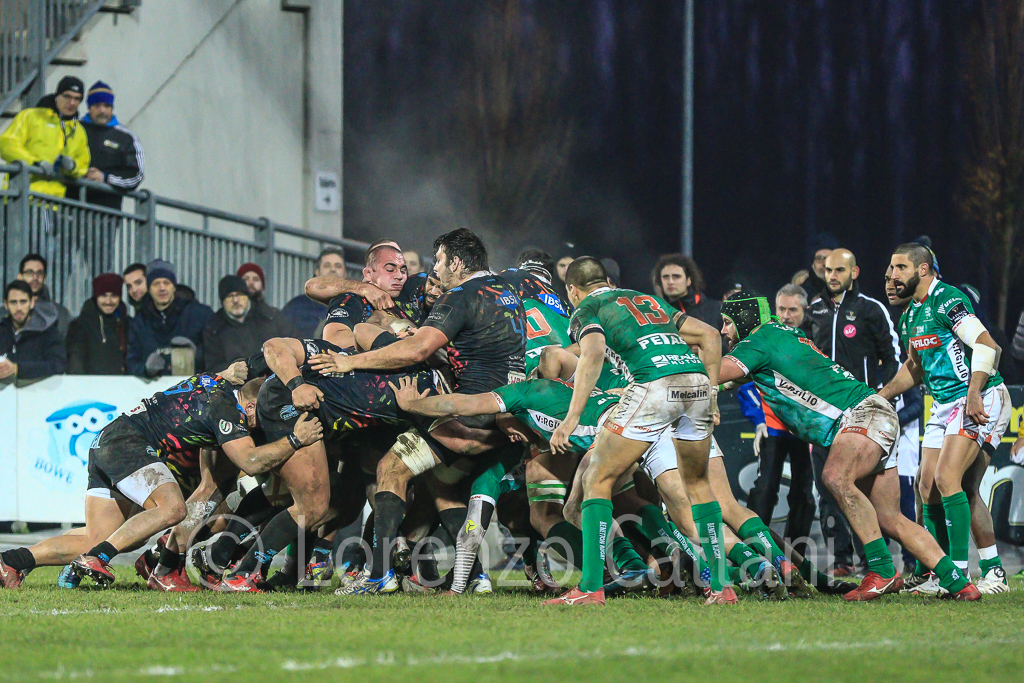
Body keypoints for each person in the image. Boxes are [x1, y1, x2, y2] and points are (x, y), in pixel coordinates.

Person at [718, 291, 980, 601]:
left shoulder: (757, 341)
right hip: (874, 412)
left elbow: (713, 374)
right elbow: (737, 377)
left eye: (726, 322)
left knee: (835, 477)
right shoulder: (776, 335)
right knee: (890, 518)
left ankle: (882, 570)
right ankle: (958, 582)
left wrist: (686, 353)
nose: (723, 331)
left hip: (859, 415)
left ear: (744, 319)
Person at [309, 228, 526, 595]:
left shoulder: (460, 295)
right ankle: (474, 576)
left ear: (457, 263)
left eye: (439, 260)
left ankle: (378, 576)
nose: (434, 269)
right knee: (440, 486)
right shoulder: (506, 289)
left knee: (390, 469)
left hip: (466, 416)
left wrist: (350, 363)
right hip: (505, 416)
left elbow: (416, 351)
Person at [0, 375, 323, 589]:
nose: (262, 423)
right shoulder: (227, 409)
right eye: (262, 414)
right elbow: (249, 462)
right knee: (172, 509)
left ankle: (13, 561)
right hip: (129, 443)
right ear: (250, 405)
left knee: (101, 537)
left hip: (107, 440)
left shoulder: (218, 383)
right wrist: (295, 438)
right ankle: (99, 558)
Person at [544, 256, 730, 606]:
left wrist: (571, 419)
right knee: (698, 484)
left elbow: (592, 354)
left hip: (653, 385)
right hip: (695, 383)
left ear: (572, 290)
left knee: (596, 478)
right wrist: (713, 393)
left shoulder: (587, 308)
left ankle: (590, 587)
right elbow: (710, 335)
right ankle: (722, 587)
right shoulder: (647, 299)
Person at [879, 243, 1011, 595]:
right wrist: (881, 396)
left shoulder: (948, 300)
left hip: (979, 396)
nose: (892, 275)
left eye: (900, 268)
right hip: (944, 404)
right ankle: (937, 572)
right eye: (891, 268)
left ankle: (961, 574)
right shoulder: (909, 315)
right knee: (927, 488)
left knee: (950, 479)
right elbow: (914, 368)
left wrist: (973, 392)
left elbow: (987, 346)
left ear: (923, 269)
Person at [805, 247, 900, 576]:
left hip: (860, 413)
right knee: (827, 489)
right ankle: (841, 560)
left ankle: (872, 560)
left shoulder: (871, 309)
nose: (832, 276)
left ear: (854, 273)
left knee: (859, 489)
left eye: (839, 270)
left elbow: (892, 358)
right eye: (828, 270)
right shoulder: (813, 311)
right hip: (822, 415)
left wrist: (883, 398)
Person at [740, 284, 815, 559]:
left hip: (805, 430)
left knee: (803, 494)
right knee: (765, 489)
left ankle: (796, 559)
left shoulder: (814, 338)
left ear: (804, 310)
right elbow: (746, 382)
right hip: (773, 426)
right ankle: (753, 552)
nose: (785, 315)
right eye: (781, 309)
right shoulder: (765, 336)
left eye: (792, 310)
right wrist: (759, 420)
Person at [0, 76, 89, 198]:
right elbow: (7, 144)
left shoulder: (79, 131)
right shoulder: (31, 116)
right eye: (67, 96)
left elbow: (83, 163)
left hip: (54, 201)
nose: (72, 103)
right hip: (20, 197)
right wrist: (34, 163)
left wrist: (72, 166)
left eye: (77, 99)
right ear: (57, 96)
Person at [126, 260, 214, 377]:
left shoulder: (200, 314)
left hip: (194, 385)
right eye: (156, 284)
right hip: (153, 386)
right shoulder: (139, 322)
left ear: (174, 287)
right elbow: (131, 362)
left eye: (166, 283)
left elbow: (217, 353)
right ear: (149, 289)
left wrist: (195, 355)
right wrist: (146, 370)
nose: (162, 288)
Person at [202, 275, 291, 373]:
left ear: (247, 296)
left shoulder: (271, 317)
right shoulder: (214, 328)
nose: (235, 300)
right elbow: (212, 368)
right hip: (235, 380)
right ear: (222, 301)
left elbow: (293, 346)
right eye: (230, 296)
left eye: (239, 295)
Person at [78, 81, 145, 210]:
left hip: (107, 214)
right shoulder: (74, 128)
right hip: (70, 209)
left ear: (112, 108)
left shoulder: (127, 138)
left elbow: (136, 175)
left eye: (107, 106)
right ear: (89, 107)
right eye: (97, 105)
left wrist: (105, 177)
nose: (102, 110)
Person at [0, 281, 66, 383]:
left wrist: (17, 369)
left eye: (23, 302)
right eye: (13, 302)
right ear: (6, 304)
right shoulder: (2, 331)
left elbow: (58, 365)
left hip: (40, 391)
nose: (19, 308)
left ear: (32, 303)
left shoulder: (48, 332)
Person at [66, 273, 128, 375]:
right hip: (91, 384)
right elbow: (75, 362)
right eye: (103, 296)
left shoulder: (127, 324)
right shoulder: (80, 326)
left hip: (123, 384)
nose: (108, 301)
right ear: (96, 297)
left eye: (113, 296)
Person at [281, 247, 346, 338]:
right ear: (317, 272)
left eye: (338, 266)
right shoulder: (296, 307)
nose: (333, 269)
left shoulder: (354, 306)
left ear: (345, 273)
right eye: (327, 265)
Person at [650, 253, 723, 331]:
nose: (670, 282)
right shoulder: (655, 313)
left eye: (676, 276)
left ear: (688, 280)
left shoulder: (715, 309)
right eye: (665, 277)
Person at [13, 253, 72, 337]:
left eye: (39, 273)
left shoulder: (60, 314)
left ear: (45, 277)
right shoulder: (5, 313)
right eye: (30, 273)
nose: (35, 277)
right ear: (20, 277)